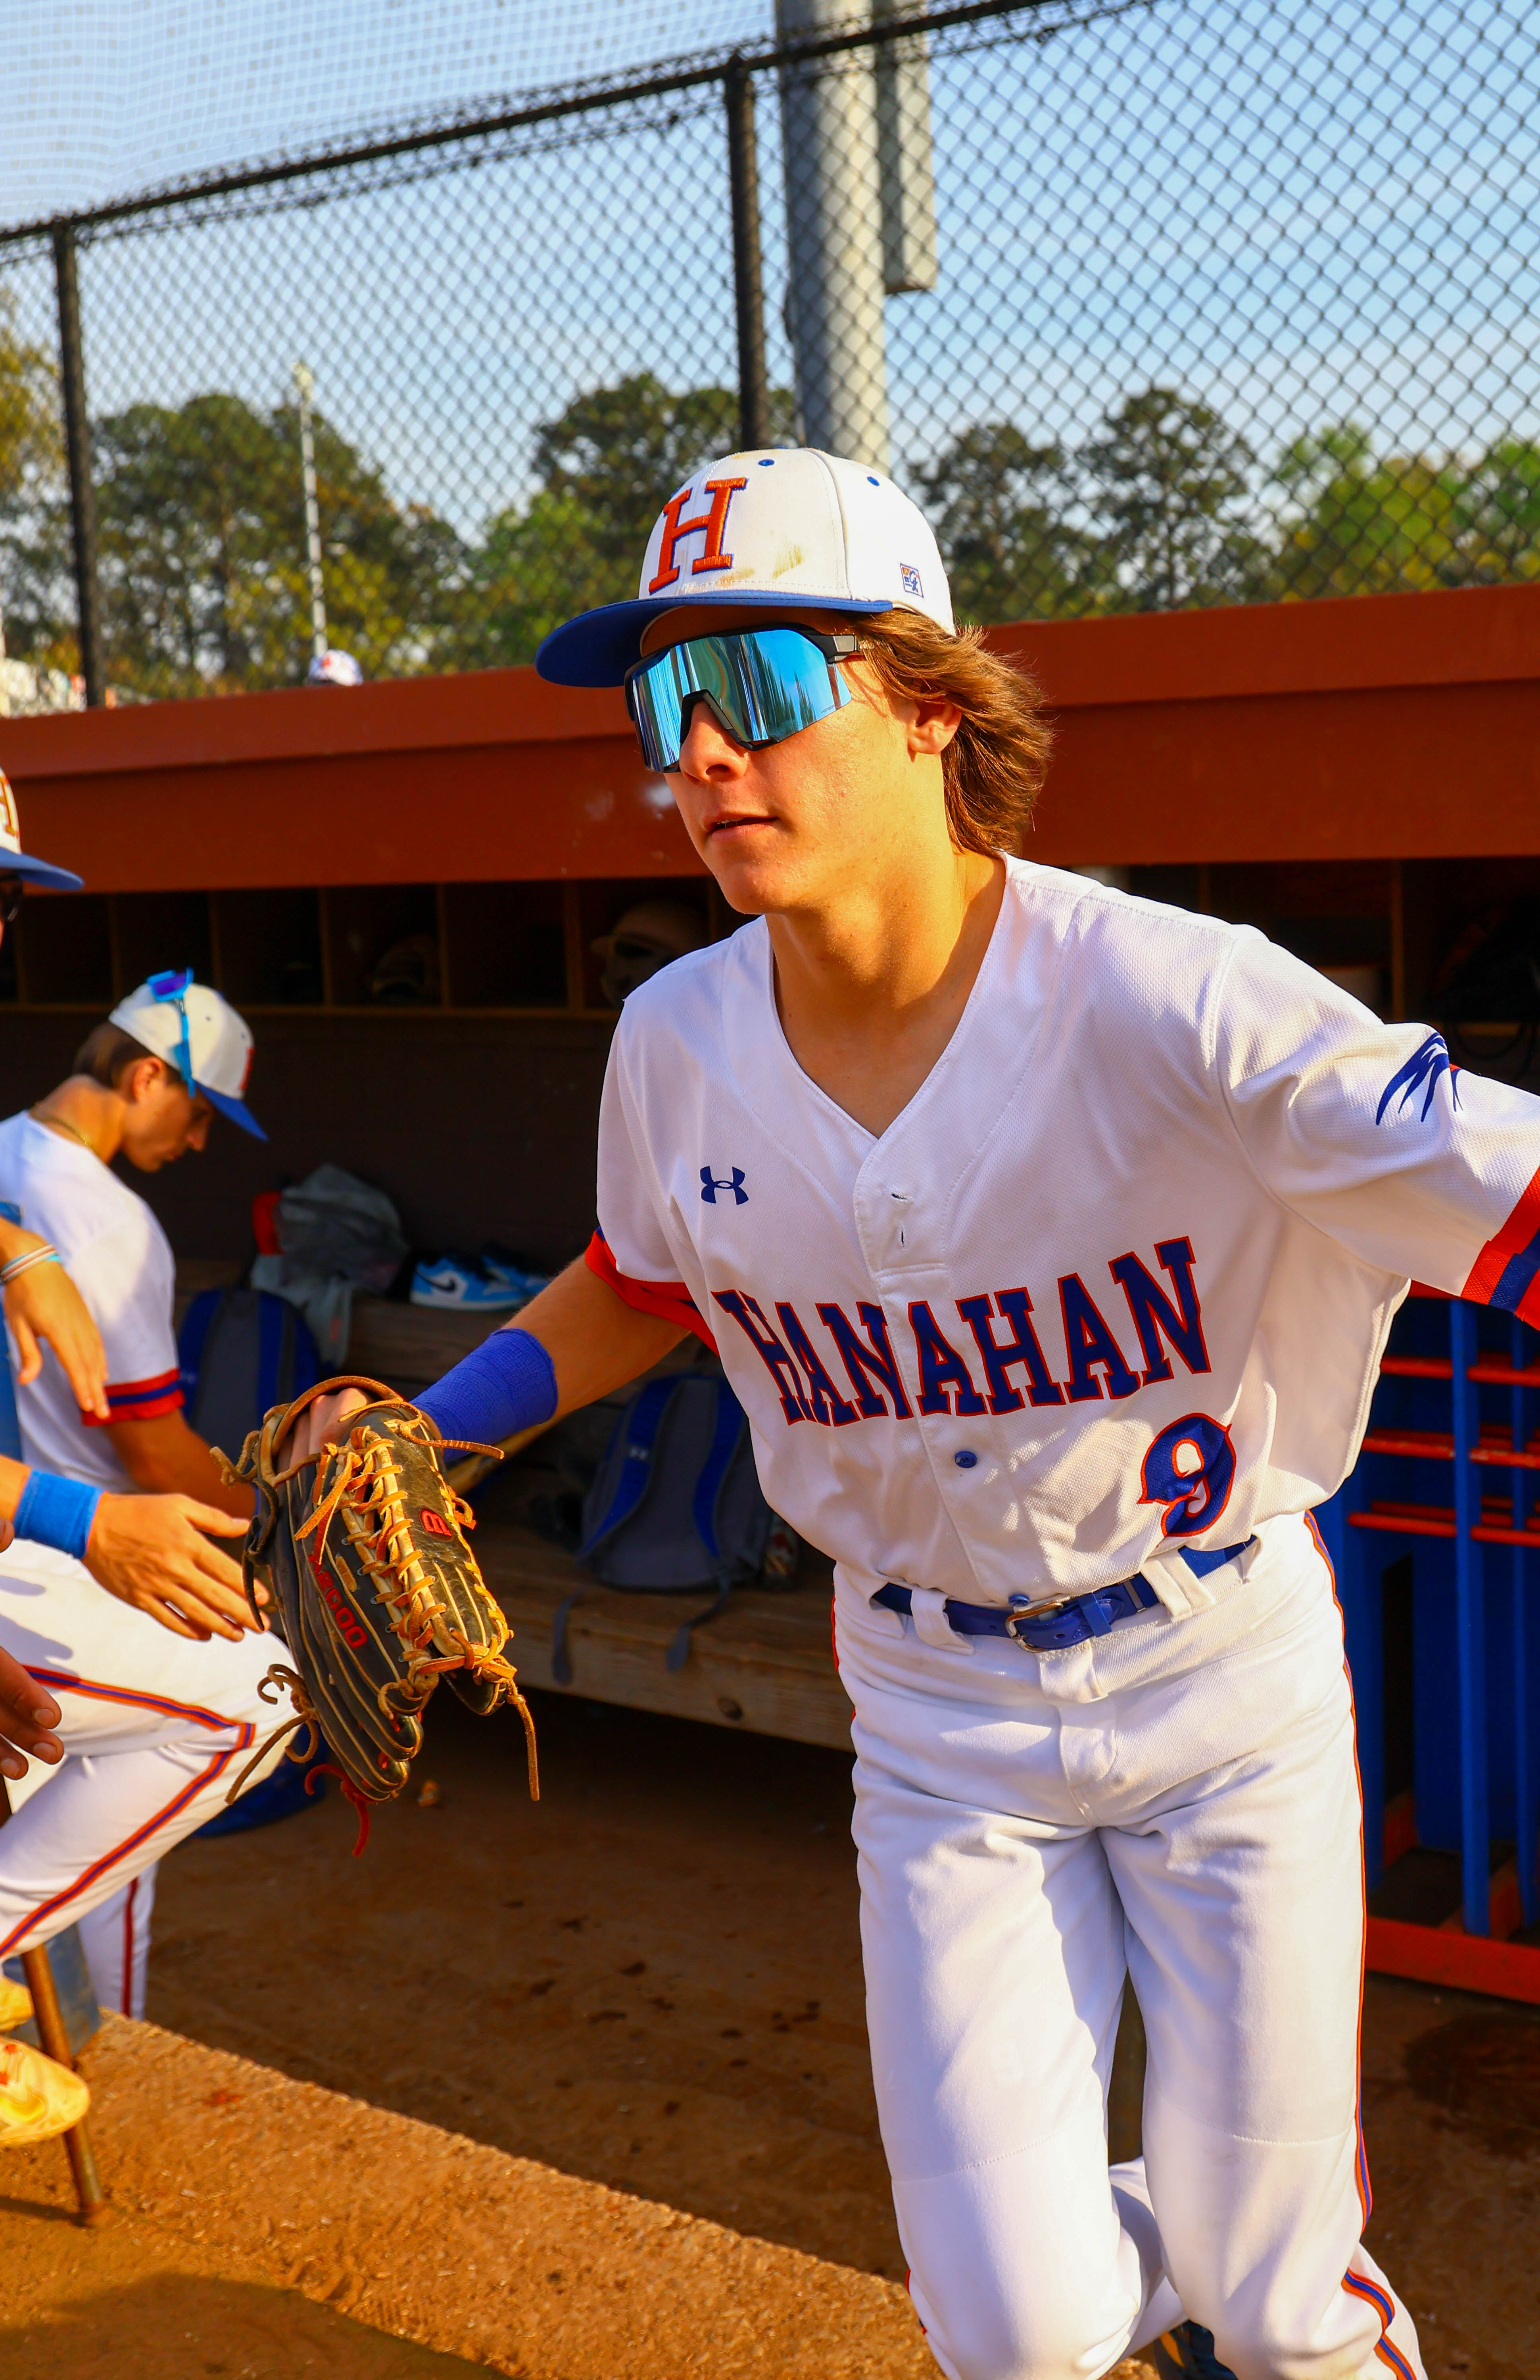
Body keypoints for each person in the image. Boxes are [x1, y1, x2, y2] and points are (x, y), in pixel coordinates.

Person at [305, 448, 1527, 2380]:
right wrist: (437, 1431)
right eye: (663, 706)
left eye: (765, 690)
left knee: (1275, 2302)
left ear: (932, 708)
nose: (703, 754)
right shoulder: (675, 1037)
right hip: (936, 1718)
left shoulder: (1175, 1001)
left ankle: (1257, 2267)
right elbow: (646, 1277)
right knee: (1016, 2334)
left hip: (1220, 1679)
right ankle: (1191, 2247)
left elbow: (1502, 1188)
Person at [0, 972, 272, 2021]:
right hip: (84, 1553)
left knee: (0, 1807)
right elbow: (152, 1451)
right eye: (198, 1111)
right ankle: (102, 2042)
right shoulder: (115, 1220)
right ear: (147, 1075)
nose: (198, 1141)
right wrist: (277, 1514)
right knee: (195, 1754)